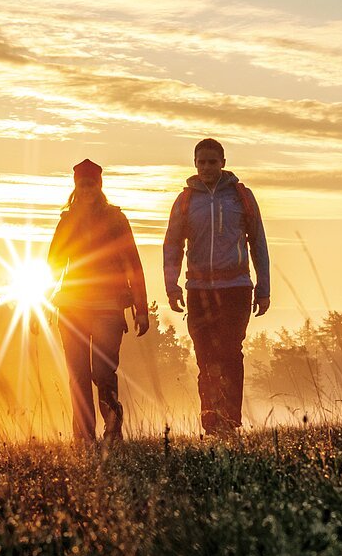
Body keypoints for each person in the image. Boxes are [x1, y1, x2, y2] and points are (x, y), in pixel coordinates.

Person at [163, 138, 270, 438]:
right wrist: (171, 286)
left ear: (223, 162)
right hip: (198, 290)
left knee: (230, 354)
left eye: (213, 161)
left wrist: (264, 288)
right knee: (205, 358)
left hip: (236, 288)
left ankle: (230, 424)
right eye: (202, 162)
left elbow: (258, 242)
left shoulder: (241, 197)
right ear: (195, 163)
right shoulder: (185, 201)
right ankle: (212, 424)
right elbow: (172, 244)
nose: (207, 167)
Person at [48, 159, 149, 442]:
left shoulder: (116, 219)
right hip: (71, 307)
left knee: (103, 372)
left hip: (109, 307)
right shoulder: (67, 221)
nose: (87, 189)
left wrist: (142, 309)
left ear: (99, 186)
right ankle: (83, 437)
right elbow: (53, 263)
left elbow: (134, 264)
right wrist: (40, 304)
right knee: (78, 375)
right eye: (82, 184)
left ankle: (113, 429)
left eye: (92, 184)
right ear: (76, 186)